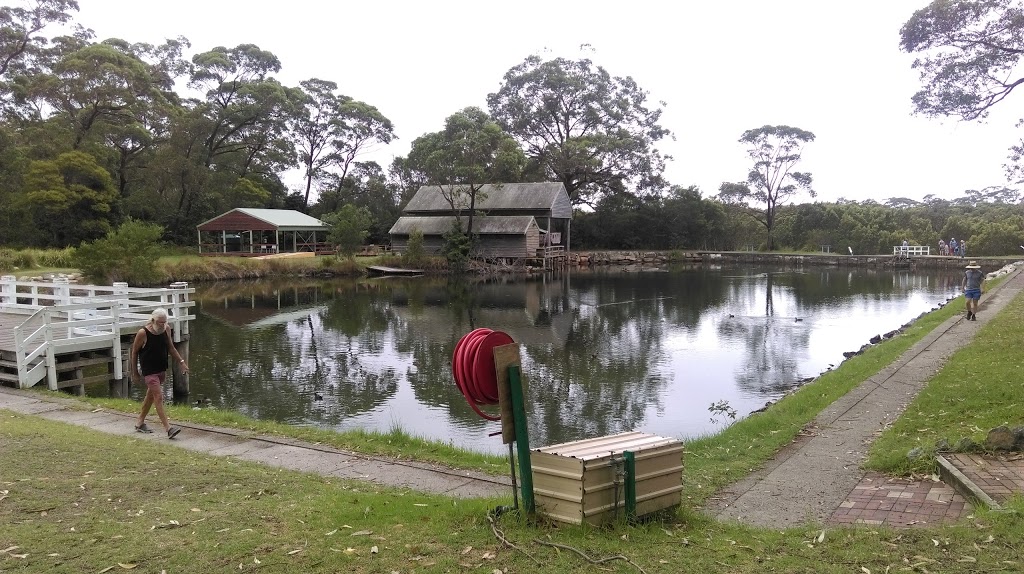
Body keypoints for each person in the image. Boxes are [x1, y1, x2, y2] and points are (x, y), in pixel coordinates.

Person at [130, 308, 188, 438]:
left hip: (161, 368)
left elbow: (171, 348)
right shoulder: (143, 333)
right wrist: (135, 372)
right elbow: (134, 352)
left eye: (165, 322)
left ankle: (139, 422)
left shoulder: (166, 329)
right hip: (149, 370)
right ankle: (168, 428)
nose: (163, 325)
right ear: (153, 320)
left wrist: (182, 362)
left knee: (150, 396)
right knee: (158, 396)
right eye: (160, 322)